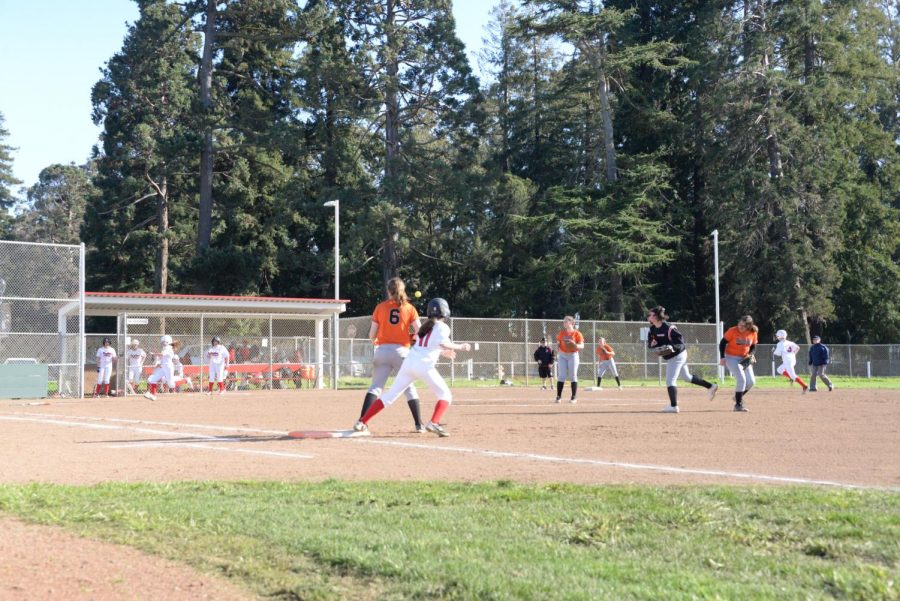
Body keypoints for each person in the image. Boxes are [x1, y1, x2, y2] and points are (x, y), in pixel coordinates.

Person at [353, 297, 470, 437]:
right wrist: (461, 346)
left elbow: (425, 343)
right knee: (445, 395)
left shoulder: (426, 326)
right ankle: (434, 422)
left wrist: (443, 352)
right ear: (445, 312)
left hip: (409, 363)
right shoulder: (442, 327)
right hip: (424, 365)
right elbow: (443, 343)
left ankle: (362, 421)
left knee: (390, 395)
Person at [357, 277, 425, 432]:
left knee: (375, 387)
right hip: (402, 352)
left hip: (382, 351)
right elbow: (419, 332)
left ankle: (362, 422)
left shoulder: (380, 307)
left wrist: (377, 340)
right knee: (409, 387)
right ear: (403, 290)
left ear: (388, 291)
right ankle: (419, 424)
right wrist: (411, 338)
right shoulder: (409, 308)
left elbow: (372, 334)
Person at [647, 306, 718, 413]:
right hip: (673, 356)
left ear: (656, 316)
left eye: (650, 315)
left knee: (670, 381)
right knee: (687, 377)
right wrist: (652, 345)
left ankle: (674, 406)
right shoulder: (652, 329)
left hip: (678, 355)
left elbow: (680, 343)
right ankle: (711, 386)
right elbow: (651, 344)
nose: (648, 316)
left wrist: (671, 347)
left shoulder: (669, 328)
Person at [718, 315, 759, 412]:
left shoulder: (753, 332)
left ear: (748, 326)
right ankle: (738, 405)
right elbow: (723, 343)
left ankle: (738, 397)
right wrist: (722, 357)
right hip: (731, 358)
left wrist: (750, 354)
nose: (740, 327)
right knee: (742, 380)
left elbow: (753, 346)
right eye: (739, 324)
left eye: (743, 326)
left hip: (744, 359)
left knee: (751, 382)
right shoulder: (732, 330)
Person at [555, 316, 584, 403]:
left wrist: (575, 345)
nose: (564, 323)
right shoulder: (561, 333)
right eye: (564, 321)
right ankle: (558, 396)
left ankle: (573, 397)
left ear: (571, 323)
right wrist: (558, 351)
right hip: (563, 355)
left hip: (573, 355)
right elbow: (558, 343)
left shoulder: (577, 334)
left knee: (573, 375)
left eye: (566, 321)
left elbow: (582, 346)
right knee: (562, 375)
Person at [143, 335, 176, 401]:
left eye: (165, 342)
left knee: (171, 385)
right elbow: (163, 357)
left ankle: (185, 380)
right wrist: (159, 363)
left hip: (168, 367)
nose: (163, 343)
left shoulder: (168, 348)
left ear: (168, 342)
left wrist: (153, 354)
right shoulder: (165, 348)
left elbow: (162, 354)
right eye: (163, 342)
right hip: (163, 367)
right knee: (151, 380)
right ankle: (153, 395)